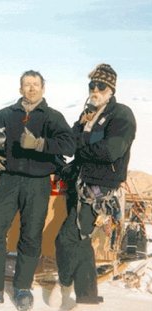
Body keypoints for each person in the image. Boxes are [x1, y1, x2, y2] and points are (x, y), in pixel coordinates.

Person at [0, 70, 76, 311]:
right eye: (27, 85)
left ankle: (23, 288)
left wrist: (40, 144)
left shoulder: (51, 117)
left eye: (35, 84)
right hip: (8, 179)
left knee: (31, 235)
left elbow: (69, 144)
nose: (31, 88)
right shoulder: (6, 115)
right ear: (20, 89)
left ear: (43, 88)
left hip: (38, 182)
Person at [51, 64, 136, 309]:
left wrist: (81, 147)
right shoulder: (88, 114)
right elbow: (70, 142)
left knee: (67, 238)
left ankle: (65, 285)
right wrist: (80, 127)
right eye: (92, 85)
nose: (95, 90)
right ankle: (87, 296)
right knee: (81, 239)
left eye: (101, 86)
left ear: (111, 89)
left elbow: (111, 151)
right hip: (79, 184)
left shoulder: (121, 114)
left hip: (100, 188)